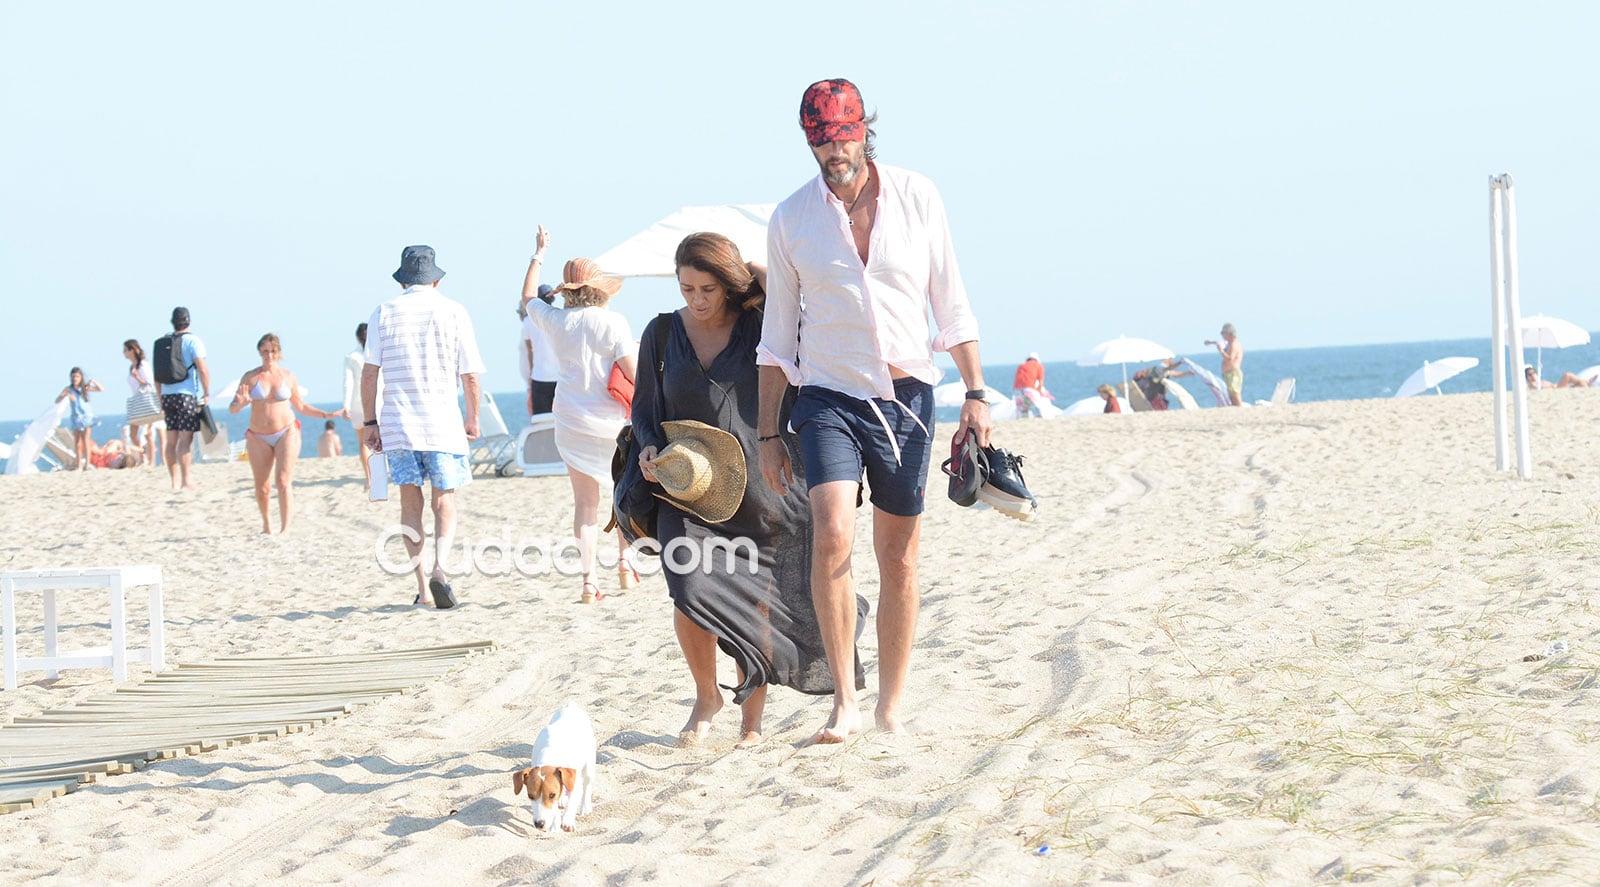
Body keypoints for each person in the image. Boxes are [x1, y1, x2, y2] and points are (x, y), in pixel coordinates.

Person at [757, 78, 992, 742]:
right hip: (827, 396)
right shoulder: (791, 219)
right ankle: (845, 702)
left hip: (908, 397)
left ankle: (890, 703)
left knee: (900, 555)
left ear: (865, 128)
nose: (835, 150)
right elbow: (776, 339)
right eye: (821, 140)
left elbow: (951, 303)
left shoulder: (918, 197)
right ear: (808, 140)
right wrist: (770, 431)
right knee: (831, 531)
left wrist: (975, 393)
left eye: (844, 134)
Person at [633, 232, 866, 748]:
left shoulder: (762, 325)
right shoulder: (661, 332)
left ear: (731, 285)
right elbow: (645, 408)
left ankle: (750, 722)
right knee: (691, 589)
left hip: (763, 485)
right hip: (686, 487)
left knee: (753, 598)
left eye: (709, 288)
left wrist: (754, 275)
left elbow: (797, 305)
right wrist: (649, 448)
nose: (696, 299)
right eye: (687, 287)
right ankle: (705, 695)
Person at [362, 245, 485, 609]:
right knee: (444, 499)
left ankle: (421, 586)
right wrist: (473, 417)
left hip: (399, 423)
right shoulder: (454, 311)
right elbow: (470, 375)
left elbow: (371, 373)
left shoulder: (383, 312)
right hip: (443, 424)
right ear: (435, 278)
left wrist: (371, 421)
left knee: (410, 501)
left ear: (403, 280)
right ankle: (440, 570)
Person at [521, 229, 638, 603]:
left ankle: (589, 582)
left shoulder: (556, 321)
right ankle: (624, 563)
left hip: (570, 417)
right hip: (611, 420)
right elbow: (633, 372)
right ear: (600, 289)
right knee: (621, 493)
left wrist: (538, 256)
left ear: (567, 290)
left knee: (584, 503)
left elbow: (527, 299)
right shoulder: (612, 322)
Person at [228, 334, 344, 534]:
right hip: (258, 436)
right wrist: (240, 403)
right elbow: (233, 408)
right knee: (262, 487)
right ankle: (267, 524)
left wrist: (327, 414)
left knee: (282, 480)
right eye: (265, 351)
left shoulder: (288, 376)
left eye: (273, 351)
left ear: (279, 353)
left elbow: (301, 406)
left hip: (286, 431)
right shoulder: (250, 377)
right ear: (259, 352)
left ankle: (285, 529)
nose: (269, 355)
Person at [155, 307, 211, 490]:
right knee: (185, 440)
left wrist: (160, 399)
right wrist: (207, 392)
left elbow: (157, 377)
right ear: (189, 321)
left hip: (167, 395)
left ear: (173, 322)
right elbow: (202, 369)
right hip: (186, 395)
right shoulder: (193, 341)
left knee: (171, 441)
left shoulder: (162, 342)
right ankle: (186, 480)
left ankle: (174, 482)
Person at [342, 323, 374, 489]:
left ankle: (369, 478)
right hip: (376, 402)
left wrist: (345, 405)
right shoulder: (376, 354)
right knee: (381, 441)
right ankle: (378, 475)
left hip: (357, 403)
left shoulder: (351, 357)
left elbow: (348, 383)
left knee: (363, 442)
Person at [522, 283, 560, 415]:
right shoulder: (560, 317)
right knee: (561, 419)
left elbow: (529, 351)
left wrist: (531, 375)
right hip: (560, 376)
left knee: (541, 419)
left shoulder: (528, 321)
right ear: (553, 299)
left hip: (539, 376)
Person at [56, 367, 103, 471]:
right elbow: (57, 400)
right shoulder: (69, 389)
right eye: (73, 377)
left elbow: (100, 389)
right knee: (77, 443)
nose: (75, 379)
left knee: (86, 441)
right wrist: (65, 395)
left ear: (81, 377)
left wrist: (93, 382)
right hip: (76, 417)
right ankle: (79, 465)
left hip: (86, 416)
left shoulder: (84, 388)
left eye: (77, 376)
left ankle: (87, 465)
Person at [123, 339, 162, 466]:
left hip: (146, 401)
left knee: (148, 433)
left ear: (132, 350)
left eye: (126, 350)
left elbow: (150, 383)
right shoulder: (132, 367)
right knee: (133, 434)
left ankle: (151, 461)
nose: (124, 353)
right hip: (137, 403)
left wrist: (137, 377)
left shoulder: (143, 365)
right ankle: (143, 457)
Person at [1205, 323, 1244, 406]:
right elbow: (1220, 342)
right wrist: (1211, 342)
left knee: (1235, 394)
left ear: (1229, 333)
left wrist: (1221, 351)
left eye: (1223, 333)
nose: (1222, 335)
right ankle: (1236, 408)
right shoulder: (1229, 343)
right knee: (1231, 394)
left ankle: (1240, 408)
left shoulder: (1234, 344)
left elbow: (1230, 359)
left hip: (1233, 372)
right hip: (1228, 373)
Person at [1012, 352, 1049, 418]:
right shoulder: (1038, 366)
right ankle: (1038, 418)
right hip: (1029, 389)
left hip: (1017, 390)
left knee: (1022, 408)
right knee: (1035, 405)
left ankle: (1023, 420)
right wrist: (1039, 391)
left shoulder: (1021, 366)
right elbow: (1040, 382)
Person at [1525, 364, 1591, 389]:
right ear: (1527, 377)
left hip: (1557, 387)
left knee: (1580, 384)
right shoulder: (1532, 384)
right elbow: (1543, 388)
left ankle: (1586, 382)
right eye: (1530, 374)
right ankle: (1588, 382)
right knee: (1567, 375)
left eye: (1533, 373)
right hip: (1557, 389)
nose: (1532, 375)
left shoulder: (1539, 381)